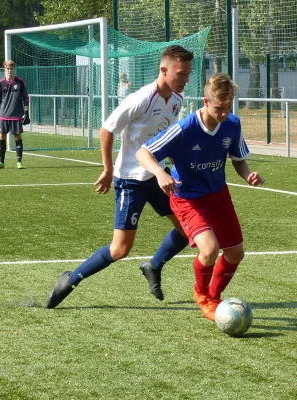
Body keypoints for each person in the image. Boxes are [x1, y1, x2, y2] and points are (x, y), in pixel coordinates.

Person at [46, 45, 194, 309]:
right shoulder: (141, 99)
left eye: (187, 75)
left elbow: (165, 138)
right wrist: (108, 169)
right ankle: (70, 279)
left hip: (158, 177)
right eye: (181, 74)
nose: (185, 80)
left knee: (188, 230)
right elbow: (107, 129)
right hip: (131, 181)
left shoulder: (176, 101)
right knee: (120, 250)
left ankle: (153, 265)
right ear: (164, 70)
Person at [136, 72, 265, 322]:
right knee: (210, 249)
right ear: (206, 102)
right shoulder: (184, 129)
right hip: (188, 198)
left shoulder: (232, 124)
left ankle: (214, 297)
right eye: (219, 108)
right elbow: (144, 153)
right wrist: (160, 174)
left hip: (218, 196)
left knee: (236, 253)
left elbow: (238, 160)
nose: (224, 113)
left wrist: (248, 174)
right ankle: (202, 295)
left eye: (228, 107)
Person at [0, 60, 30, 169]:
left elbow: (25, 98)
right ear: (5, 70)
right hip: (3, 115)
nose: (9, 70)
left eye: (11, 68)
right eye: (7, 69)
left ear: (14, 69)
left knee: (17, 136)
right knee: (2, 136)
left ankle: (19, 162)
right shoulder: (0, 83)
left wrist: (26, 112)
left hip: (17, 115)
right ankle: (1, 162)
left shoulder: (20, 82)